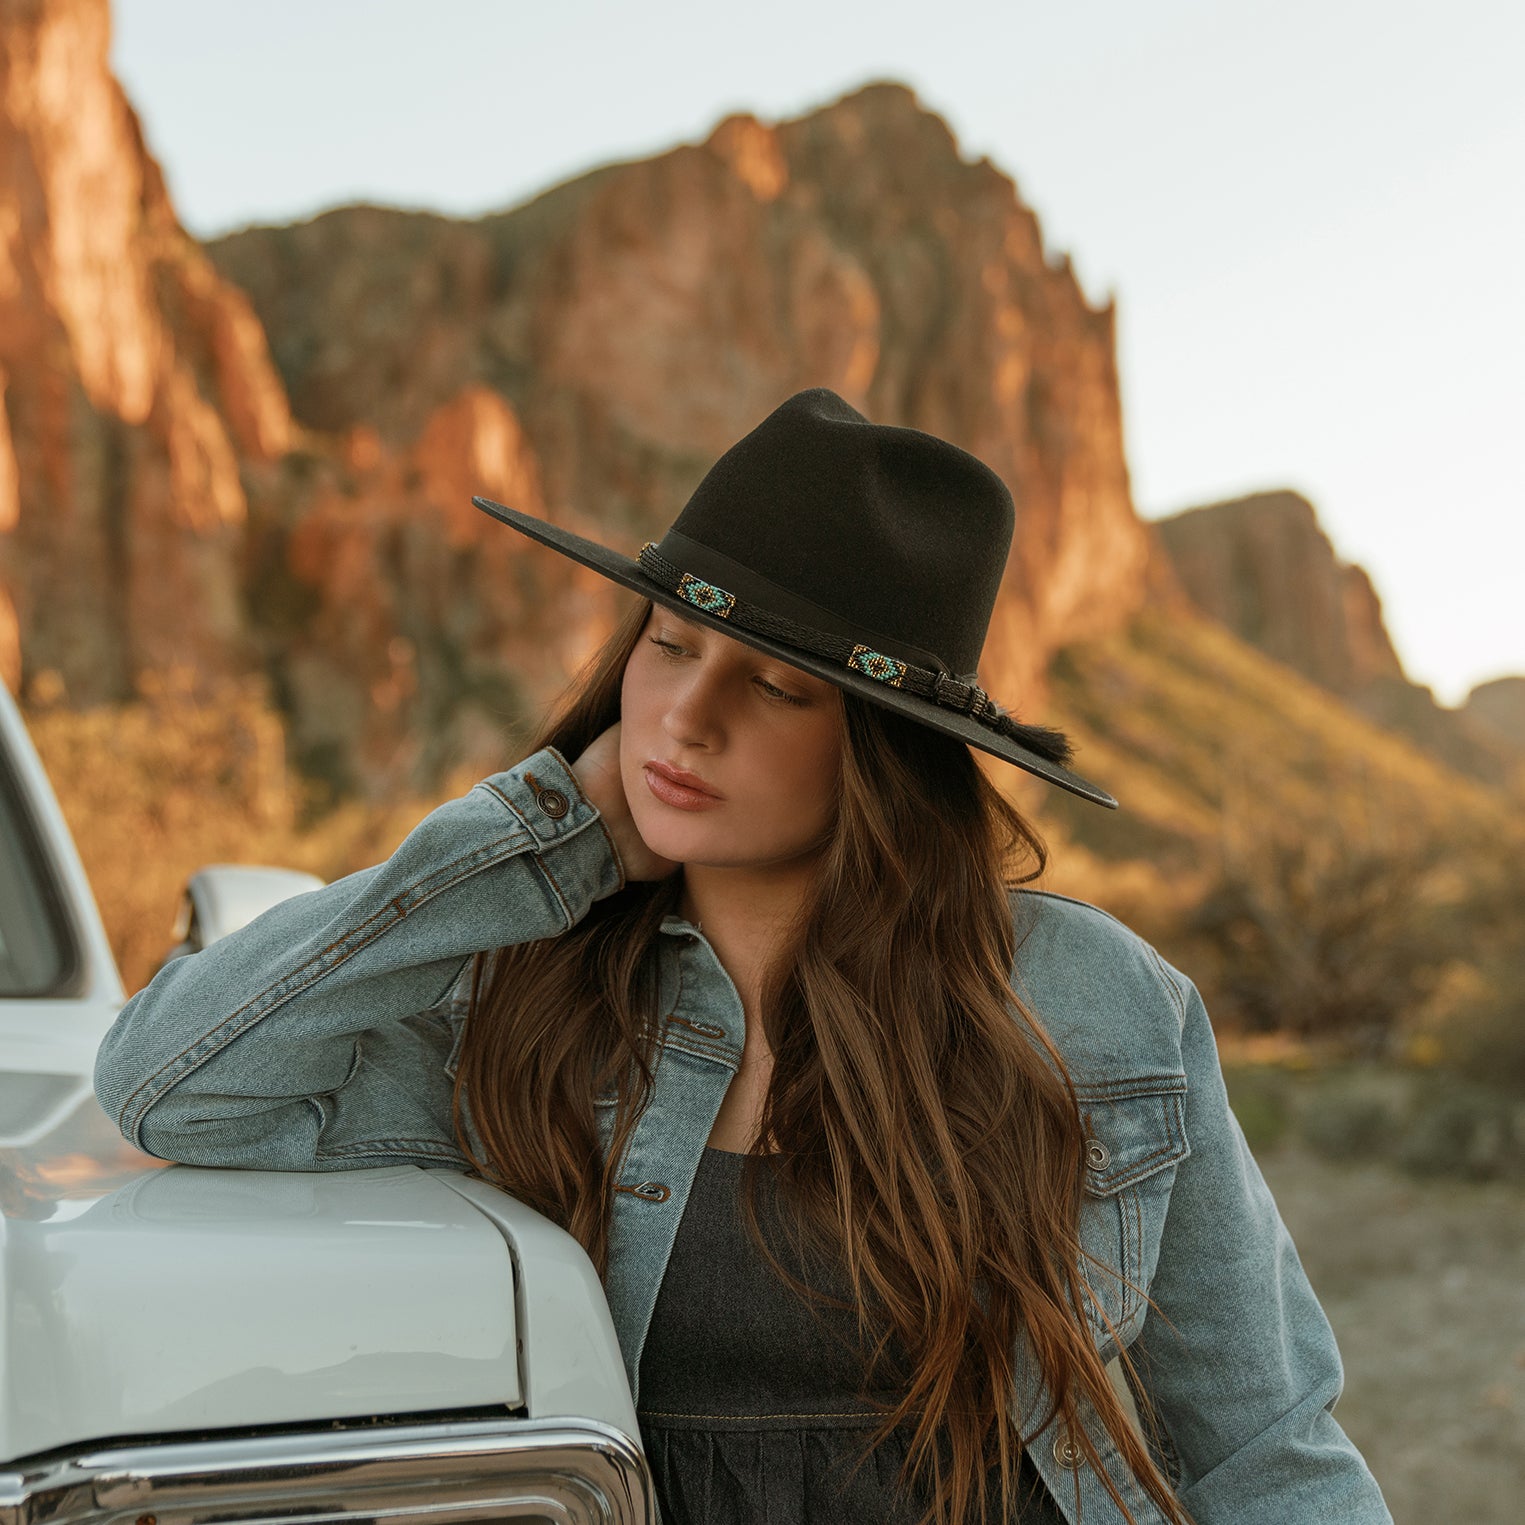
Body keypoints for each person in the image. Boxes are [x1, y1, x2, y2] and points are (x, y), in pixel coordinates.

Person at [94, 389, 1391, 1525]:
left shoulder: (1095, 1001)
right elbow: (171, 1084)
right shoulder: (533, 1001)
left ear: (879, 749)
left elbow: (1262, 1442)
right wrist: (535, 841)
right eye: (667, 646)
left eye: (776, 686)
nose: (685, 717)